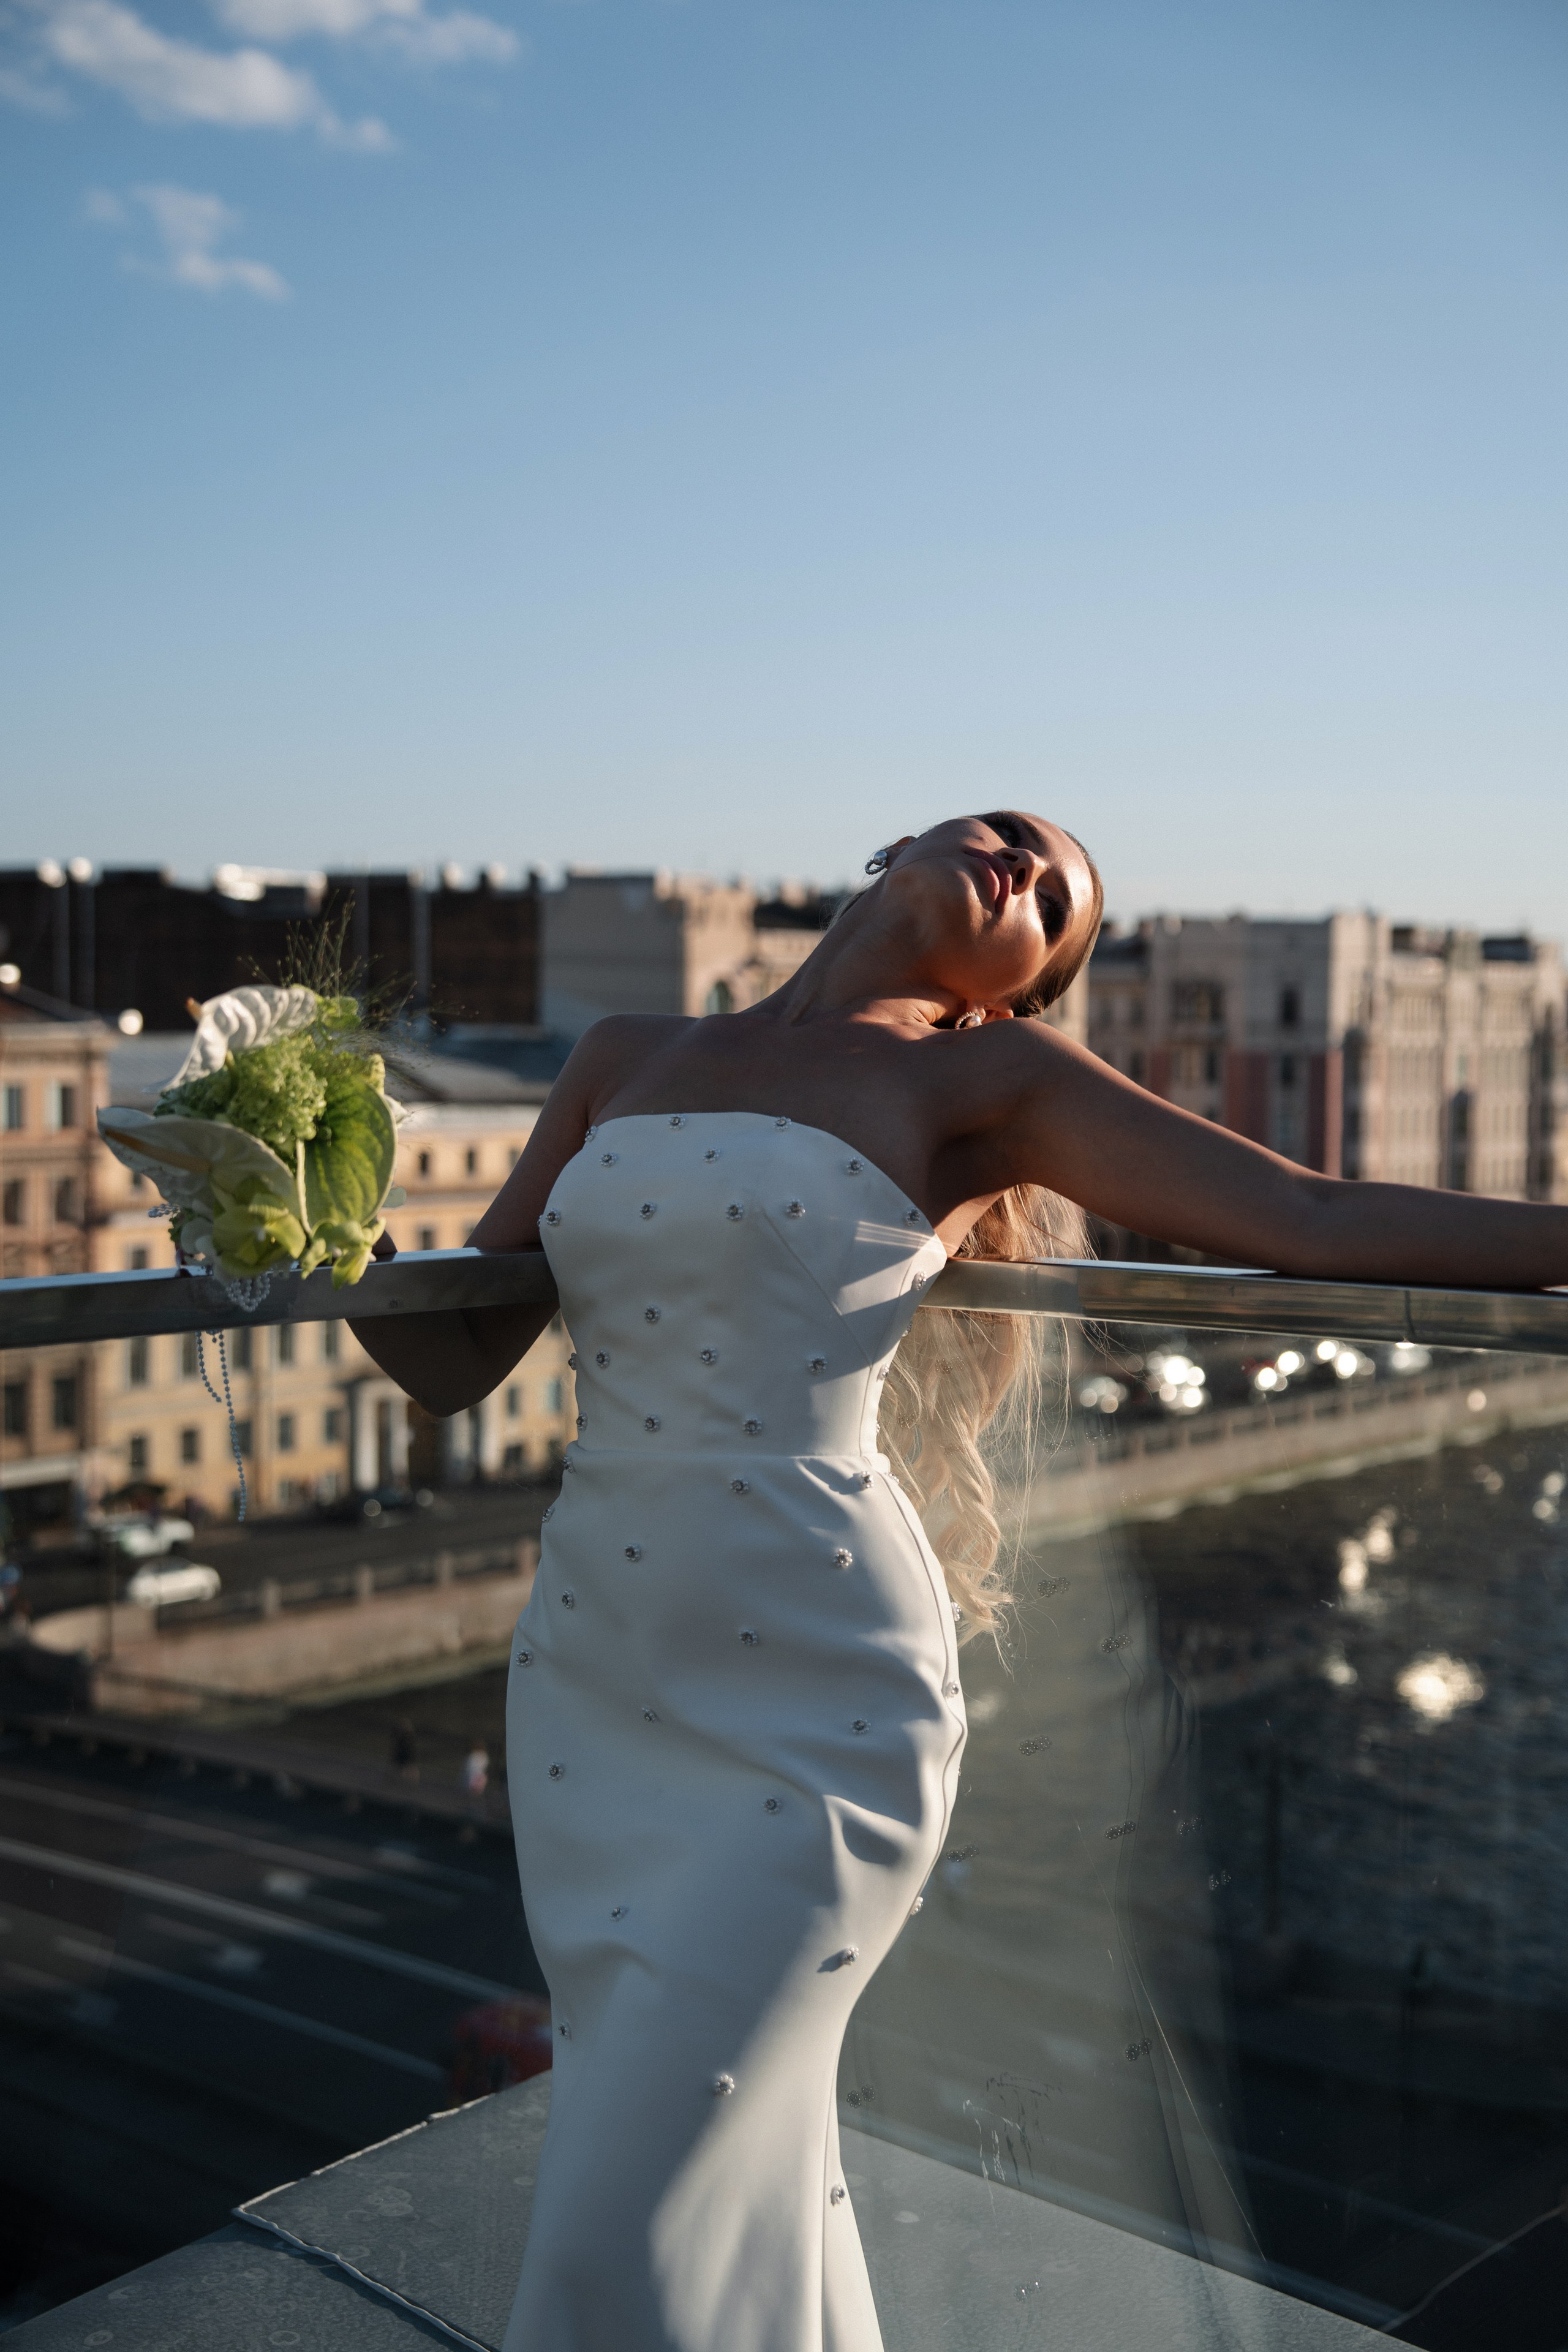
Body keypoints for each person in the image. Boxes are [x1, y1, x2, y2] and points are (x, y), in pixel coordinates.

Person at [352, 812, 1568, 2352]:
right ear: (897, 849)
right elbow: (456, 1352)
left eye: (1050, 899)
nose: (1019, 867)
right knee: (707, 2148)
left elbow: (1304, 1215)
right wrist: (295, 1220)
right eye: (1006, 837)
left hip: (816, 1691)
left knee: (649, 2165)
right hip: (595, 1671)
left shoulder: (981, 1084)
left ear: (1015, 989)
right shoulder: (621, 1050)